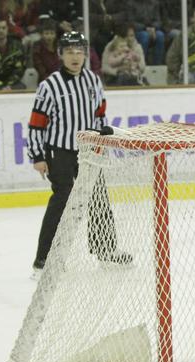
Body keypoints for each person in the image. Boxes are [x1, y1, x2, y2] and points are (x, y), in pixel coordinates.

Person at [27, 32, 131, 277]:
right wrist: (38, 156)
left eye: (79, 52)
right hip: (59, 150)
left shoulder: (93, 81)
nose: (75, 57)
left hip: (88, 150)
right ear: (60, 55)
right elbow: (36, 124)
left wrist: (101, 141)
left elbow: (100, 114)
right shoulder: (49, 86)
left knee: (98, 198)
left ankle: (106, 250)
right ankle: (43, 261)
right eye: (69, 52)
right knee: (62, 200)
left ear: (85, 54)